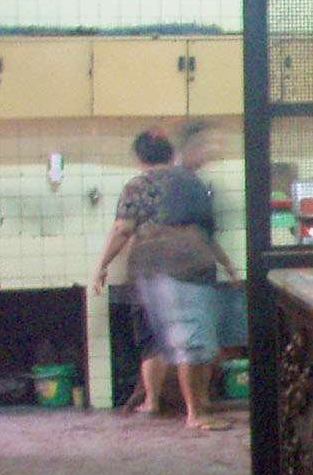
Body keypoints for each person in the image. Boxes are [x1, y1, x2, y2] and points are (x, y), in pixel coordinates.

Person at [133, 120, 237, 431]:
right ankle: (195, 414)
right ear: (190, 146)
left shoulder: (191, 181)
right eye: (207, 143)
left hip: (190, 271)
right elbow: (180, 228)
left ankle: (201, 407)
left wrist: (226, 265)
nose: (213, 150)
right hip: (179, 272)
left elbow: (203, 232)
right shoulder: (181, 181)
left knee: (201, 344)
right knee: (191, 344)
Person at [92, 128, 176, 413]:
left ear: (140, 158)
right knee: (186, 336)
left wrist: (102, 265)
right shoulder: (186, 183)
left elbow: (122, 229)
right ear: (170, 154)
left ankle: (152, 400)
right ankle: (194, 404)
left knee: (152, 338)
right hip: (189, 268)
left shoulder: (138, 186)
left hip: (150, 269)